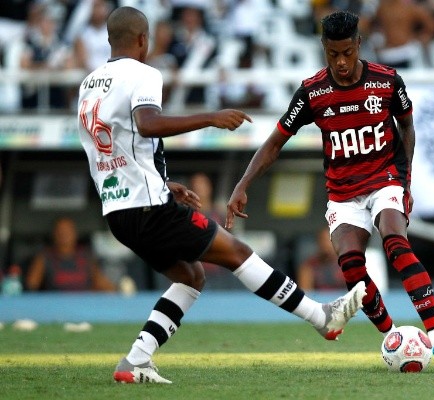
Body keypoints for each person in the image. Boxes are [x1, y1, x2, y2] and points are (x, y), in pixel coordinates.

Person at [77, 6, 366, 384]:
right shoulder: (143, 73)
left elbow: (112, 148)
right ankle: (321, 318)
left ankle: (136, 362)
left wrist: (163, 184)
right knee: (237, 253)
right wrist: (210, 117)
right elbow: (147, 126)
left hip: (118, 210)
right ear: (144, 40)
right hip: (148, 208)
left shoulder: (88, 85)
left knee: (190, 275)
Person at [227, 10, 434, 372]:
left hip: (384, 178)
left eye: (347, 53)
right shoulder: (312, 91)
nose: (341, 62)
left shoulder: (386, 82)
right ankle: (393, 337)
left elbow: (407, 126)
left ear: (358, 45)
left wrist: (405, 180)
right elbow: (274, 143)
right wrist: (242, 185)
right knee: (351, 267)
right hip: (342, 191)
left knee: (395, 243)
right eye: (332, 54)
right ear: (324, 48)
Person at [25, 217, 116, 292]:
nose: (64, 235)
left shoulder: (86, 256)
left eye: (68, 232)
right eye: (60, 232)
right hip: (54, 307)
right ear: (54, 235)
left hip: (83, 306)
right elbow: (31, 287)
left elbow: (103, 284)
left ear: (75, 234)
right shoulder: (44, 257)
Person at [296, 226, 346, 291]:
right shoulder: (308, 267)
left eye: (330, 240)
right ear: (318, 243)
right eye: (323, 240)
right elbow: (306, 295)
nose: (326, 245)